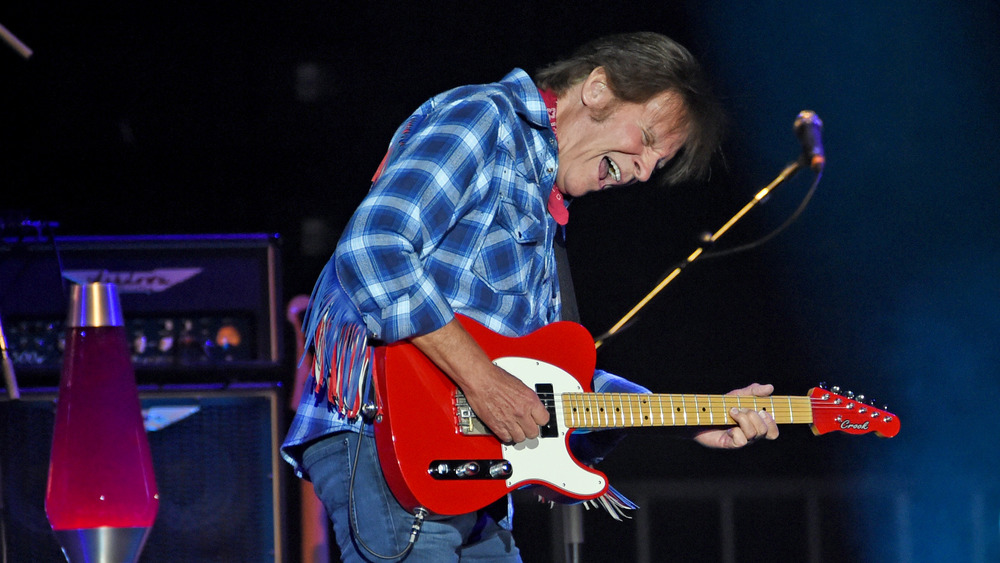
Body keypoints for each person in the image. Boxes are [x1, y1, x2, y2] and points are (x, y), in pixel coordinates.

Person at [281, 31, 779, 562]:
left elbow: (553, 383)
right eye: (649, 140)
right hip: (387, 444)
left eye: (661, 161)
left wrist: (691, 416)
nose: (645, 170)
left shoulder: (545, 207)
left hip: (473, 477)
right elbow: (374, 247)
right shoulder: (487, 120)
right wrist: (481, 377)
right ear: (597, 90)